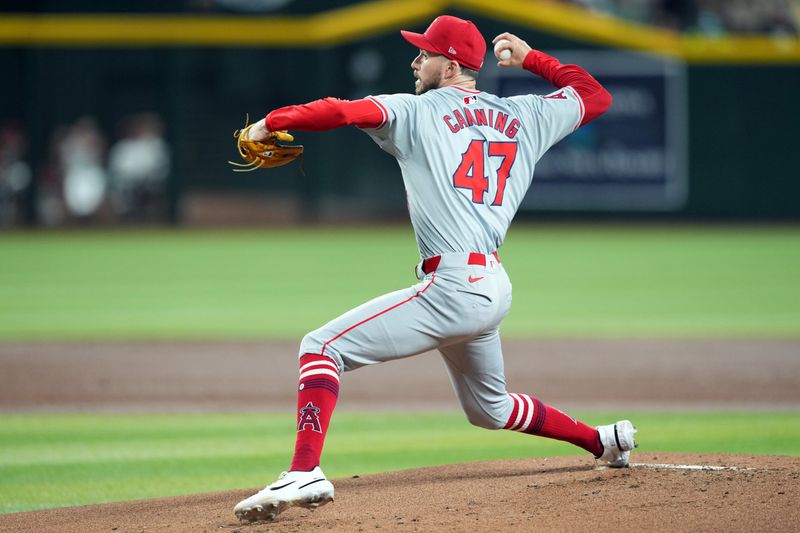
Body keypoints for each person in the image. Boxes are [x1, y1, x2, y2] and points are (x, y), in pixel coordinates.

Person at [234, 15, 636, 523]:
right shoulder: (527, 115)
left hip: (452, 287)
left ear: (449, 65)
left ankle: (304, 471)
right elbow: (595, 96)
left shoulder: (415, 111)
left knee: (321, 347)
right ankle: (603, 441)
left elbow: (338, 110)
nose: (414, 60)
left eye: (423, 53)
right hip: (491, 283)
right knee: (488, 409)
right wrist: (533, 58)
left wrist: (271, 121)